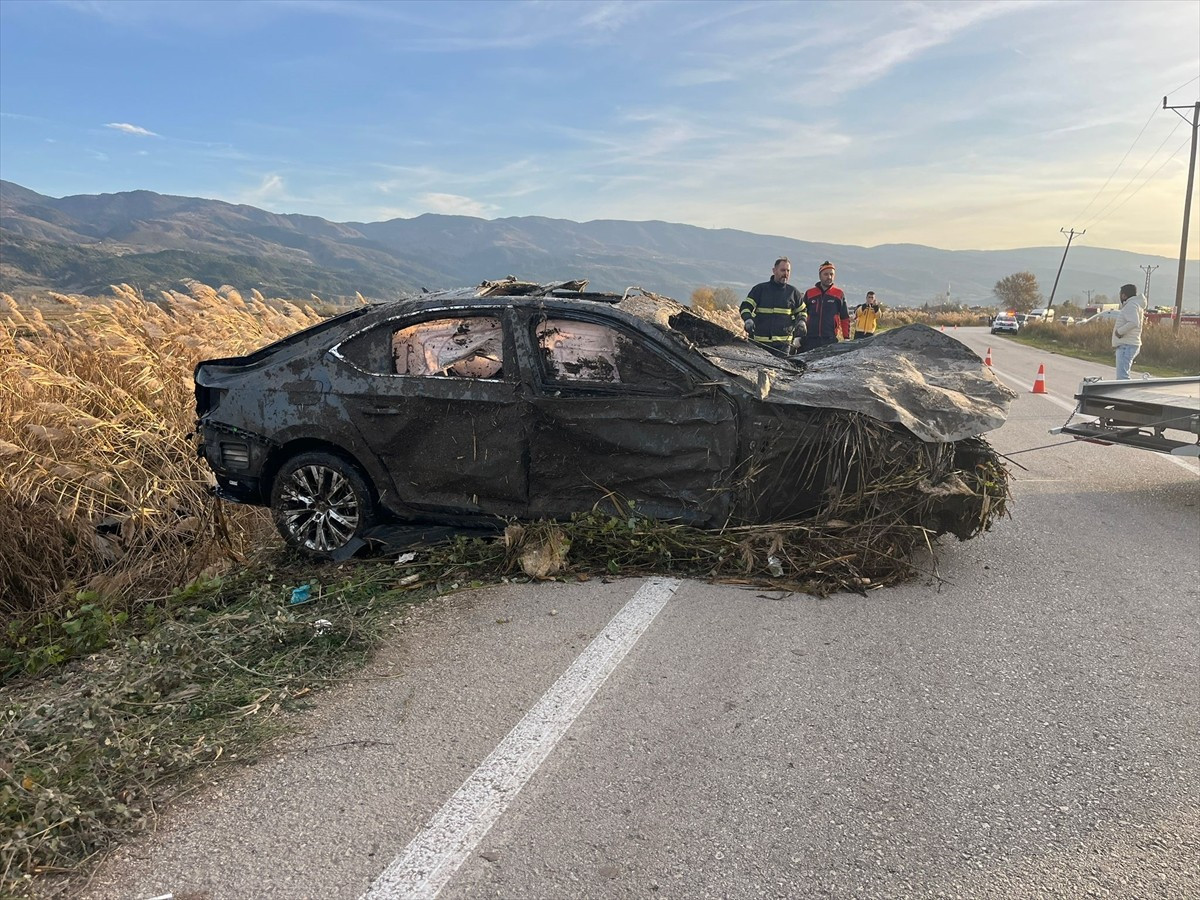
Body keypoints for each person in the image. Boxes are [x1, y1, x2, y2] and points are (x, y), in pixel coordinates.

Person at [740, 257, 806, 355]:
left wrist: (801, 321)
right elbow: (745, 307)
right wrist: (748, 319)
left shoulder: (793, 292)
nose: (786, 273)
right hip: (759, 343)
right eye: (782, 270)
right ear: (774, 270)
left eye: (788, 271)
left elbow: (802, 311)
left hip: (783, 346)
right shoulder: (760, 289)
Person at [801, 261, 850, 351]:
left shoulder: (839, 294)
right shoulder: (810, 293)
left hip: (830, 339)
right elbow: (802, 315)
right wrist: (799, 336)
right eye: (826, 274)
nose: (829, 277)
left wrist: (846, 337)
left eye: (831, 274)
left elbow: (845, 317)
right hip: (810, 339)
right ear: (820, 275)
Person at [1112, 282, 1146, 379]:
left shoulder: (1131, 305)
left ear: (1124, 295)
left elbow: (1134, 322)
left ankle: (1125, 389)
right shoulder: (1135, 304)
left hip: (1126, 345)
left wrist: (1119, 332)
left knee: (1122, 377)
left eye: (1120, 294)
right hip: (1129, 344)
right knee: (1123, 376)